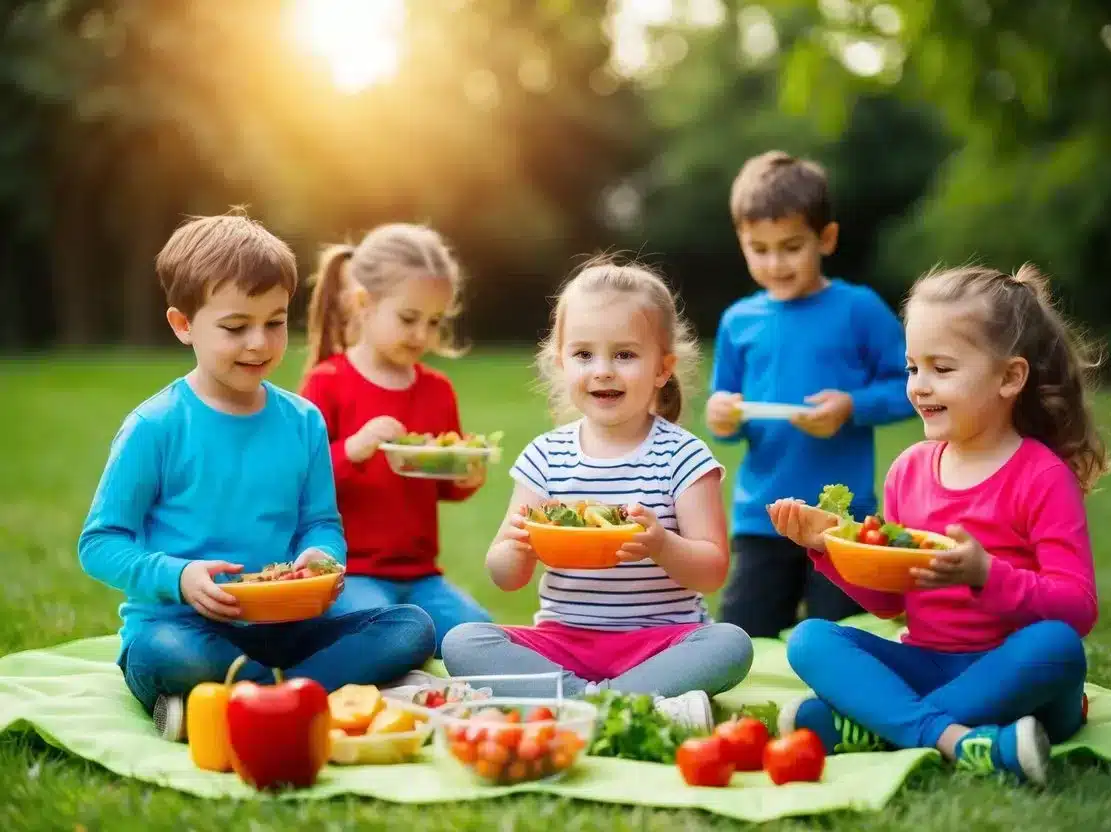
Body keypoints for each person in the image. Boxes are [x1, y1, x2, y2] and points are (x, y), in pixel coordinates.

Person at [78, 212, 436, 741]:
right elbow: (100, 543)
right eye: (235, 327)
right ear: (182, 325)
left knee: (411, 627)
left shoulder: (303, 421)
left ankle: (251, 701)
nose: (259, 343)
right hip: (182, 625)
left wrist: (323, 558)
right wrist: (178, 576)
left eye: (275, 321)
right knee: (164, 656)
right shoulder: (154, 426)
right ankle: (306, 696)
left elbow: (319, 522)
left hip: (283, 625)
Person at [770, 263, 1111, 785]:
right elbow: (892, 603)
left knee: (1058, 647)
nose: (919, 386)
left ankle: (883, 725)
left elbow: (1077, 610)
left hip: (1018, 677)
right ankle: (961, 740)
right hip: (927, 660)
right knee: (810, 639)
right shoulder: (909, 470)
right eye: (911, 368)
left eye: (942, 369)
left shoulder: (1043, 476)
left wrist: (985, 575)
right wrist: (829, 547)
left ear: (1009, 377)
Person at [441, 257, 753, 731]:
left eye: (625, 355)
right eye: (584, 354)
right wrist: (519, 546)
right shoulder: (545, 457)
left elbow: (712, 571)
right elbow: (504, 576)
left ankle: (581, 704)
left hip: (661, 642)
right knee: (462, 643)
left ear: (662, 368)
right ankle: (609, 703)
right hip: (564, 641)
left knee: (730, 645)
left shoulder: (682, 457)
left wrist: (661, 544)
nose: (603, 370)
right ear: (561, 361)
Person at [706, 150, 916, 638]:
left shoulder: (858, 309)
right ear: (741, 242)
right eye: (759, 249)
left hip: (840, 520)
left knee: (841, 636)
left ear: (826, 238)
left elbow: (911, 386)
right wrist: (723, 418)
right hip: (762, 518)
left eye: (791, 246)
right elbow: (728, 417)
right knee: (742, 637)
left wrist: (852, 406)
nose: (775, 263)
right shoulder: (738, 321)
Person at [298, 223, 492, 656]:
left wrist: (465, 476)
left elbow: (441, 484)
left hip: (422, 578)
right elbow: (298, 481)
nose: (421, 335)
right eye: (409, 319)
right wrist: (353, 449)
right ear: (364, 303)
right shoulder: (327, 384)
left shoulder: (437, 390)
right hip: (349, 573)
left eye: (434, 322)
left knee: (482, 637)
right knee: (392, 634)